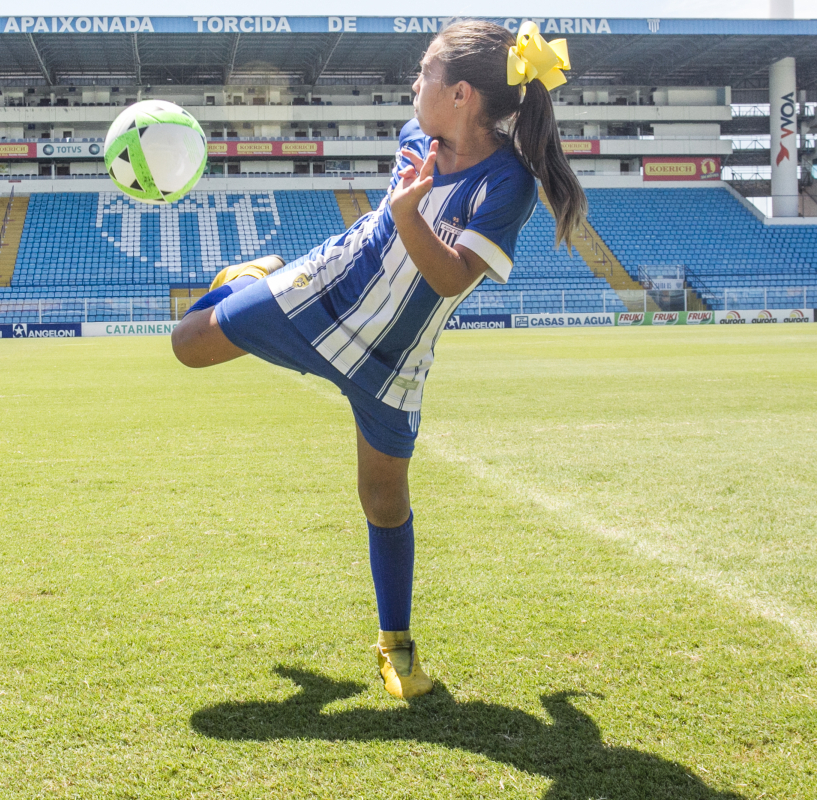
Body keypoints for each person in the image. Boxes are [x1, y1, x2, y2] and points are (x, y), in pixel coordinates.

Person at [171, 20, 585, 700]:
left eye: (423, 74)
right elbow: (393, 230)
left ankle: (396, 647)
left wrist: (408, 216)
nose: (412, 85)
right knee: (188, 347)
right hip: (325, 290)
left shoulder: (507, 184)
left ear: (459, 94)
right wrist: (401, 214)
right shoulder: (415, 134)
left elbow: (452, 279)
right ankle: (248, 277)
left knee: (383, 499)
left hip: (394, 356)